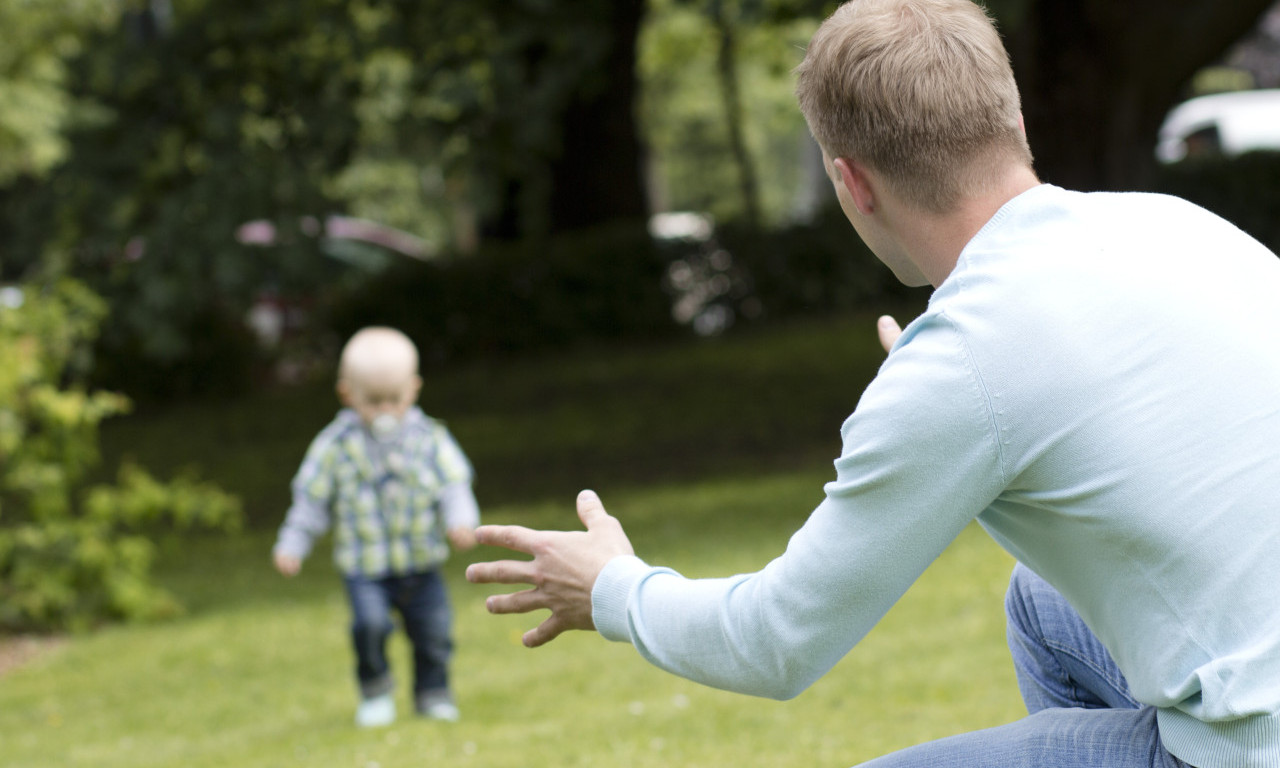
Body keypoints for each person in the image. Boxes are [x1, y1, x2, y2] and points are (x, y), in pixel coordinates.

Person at [464, 0, 1280, 766]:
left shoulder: (968, 359)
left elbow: (775, 642)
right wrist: (950, 416)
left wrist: (613, 588)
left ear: (852, 184)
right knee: (1042, 605)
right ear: (1017, 125)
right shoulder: (1175, 224)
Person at [273, 326, 480, 728]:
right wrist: (292, 544)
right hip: (365, 569)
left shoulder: (431, 439)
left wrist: (461, 521)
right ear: (347, 394)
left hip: (421, 563)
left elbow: (454, 486)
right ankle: (376, 692)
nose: (385, 410)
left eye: (394, 400)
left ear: (413, 390)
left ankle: (433, 694)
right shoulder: (334, 446)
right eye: (373, 401)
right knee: (369, 627)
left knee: (434, 632)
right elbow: (311, 501)